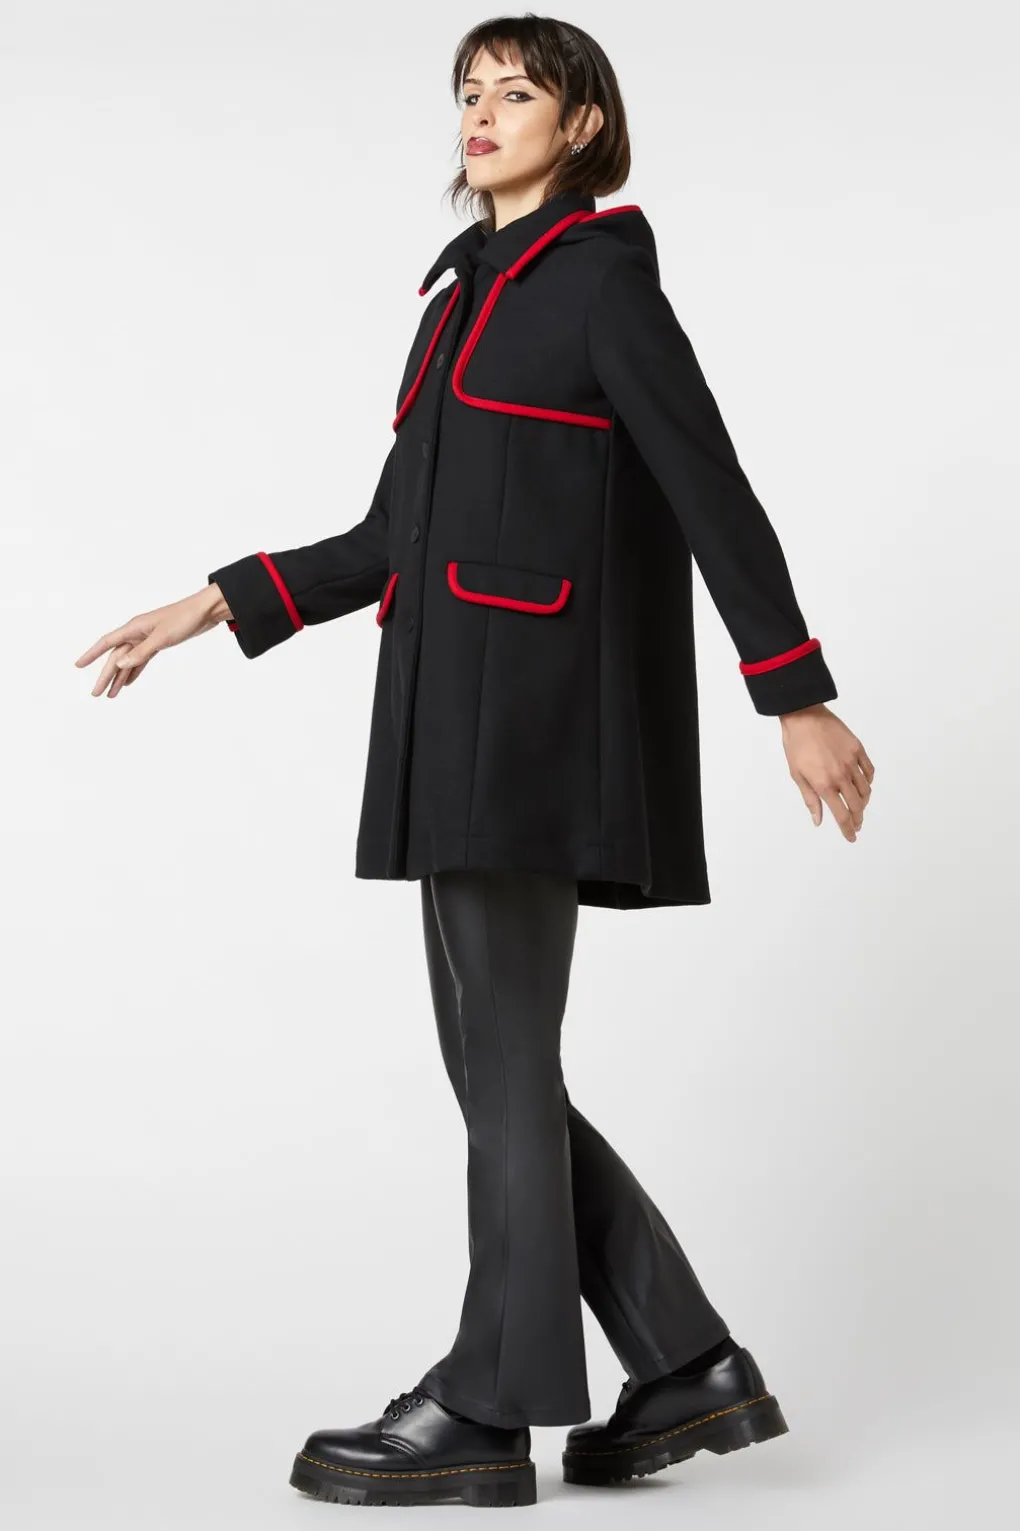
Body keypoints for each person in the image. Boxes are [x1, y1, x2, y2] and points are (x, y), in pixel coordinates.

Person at [75, 14, 874, 1511]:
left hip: (536, 729)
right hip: (450, 721)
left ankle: (493, 1404)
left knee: (500, 1065)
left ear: (584, 125)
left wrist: (797, 694)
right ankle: (688, 1360)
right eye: (467, 92)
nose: (482, 113)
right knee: (498, 1067)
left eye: (517, 91)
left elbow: (712, 488)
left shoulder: (604, 284)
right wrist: (214, 602)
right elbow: (396, 537)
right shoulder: (459, 304)